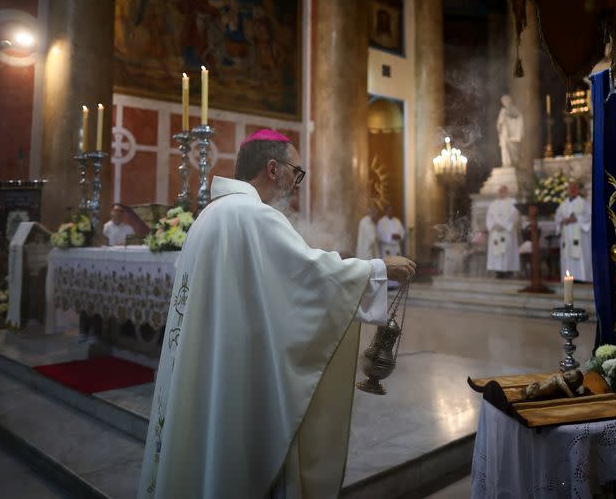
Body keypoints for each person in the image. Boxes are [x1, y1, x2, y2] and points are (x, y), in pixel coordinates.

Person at [137, 129, 416, 499]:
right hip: (236, 380)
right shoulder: (254, 217)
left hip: (210, 369)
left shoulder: (212, 214)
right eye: (296, 172)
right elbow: (311, 278)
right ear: (273, 169)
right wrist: (378, 269)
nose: (298, 184)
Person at [555, 181, 592, 282]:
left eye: (574, 188)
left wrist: (577, 219)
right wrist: (562, 220)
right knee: (567, 255)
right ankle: (568, 278)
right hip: (566, 235)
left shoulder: (584, 203)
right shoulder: (563, 204)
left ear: (578, 190)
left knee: (579, 255)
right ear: (567, 190)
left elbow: (589, 217)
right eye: (570, 188)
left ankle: (582, 278)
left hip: (580, 235)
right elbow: (557, 217)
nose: (572, 190)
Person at [485, 185, 520, 277]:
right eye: (500, 191)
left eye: (503, 191)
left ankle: (508, 271)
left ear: (507, 191)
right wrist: (493, 226)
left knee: (507, 250)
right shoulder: (493, 204)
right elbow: (489, 217)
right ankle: (498, 271)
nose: (501, 193)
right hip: (495, 231)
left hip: (507, 231)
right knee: (497, 251)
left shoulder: (513, 202)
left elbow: (514, 215)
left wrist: (504, 225)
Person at [496, 94, 524, 168]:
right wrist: (499, 127)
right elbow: (499, 122)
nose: (504, 102)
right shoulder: (502, 110)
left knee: (513, 148)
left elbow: (519, 119)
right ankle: (506, 163)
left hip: (512, 132)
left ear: (509, 101)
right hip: (504, 132)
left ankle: (514, 163)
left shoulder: (514, 109)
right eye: (503, 101)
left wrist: (509, 119)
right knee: (504, 147)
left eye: (506, 100)